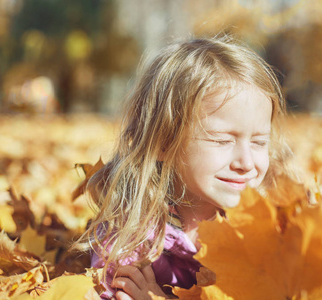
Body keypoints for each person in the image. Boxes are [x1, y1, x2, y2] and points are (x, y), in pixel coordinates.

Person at [77, 36, 291, 300]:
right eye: (222, 140)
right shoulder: (133, 234)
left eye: (259, 142)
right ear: (164, 142)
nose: (246, 163)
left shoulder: (271, 232)